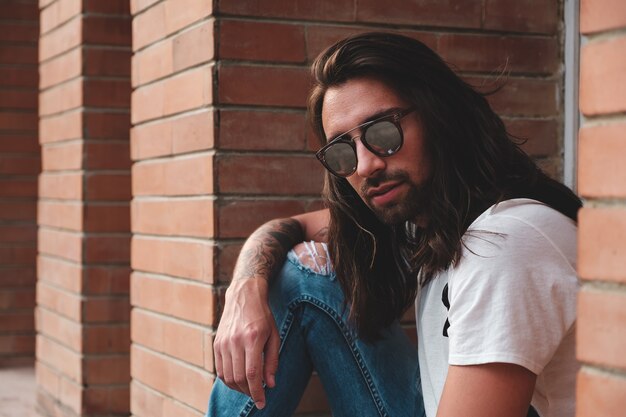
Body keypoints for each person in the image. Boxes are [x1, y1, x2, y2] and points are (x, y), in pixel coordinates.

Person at [206, 32, 581, 417]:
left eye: (383, 132)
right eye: (343, 150)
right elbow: (290, 227)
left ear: (439, 114)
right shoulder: (430, 217)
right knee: (304, 273)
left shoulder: (503, 245)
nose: (366, 165)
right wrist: (244, 289)